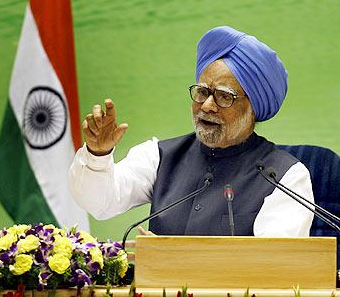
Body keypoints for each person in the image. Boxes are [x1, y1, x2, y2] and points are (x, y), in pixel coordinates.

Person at [69, 26, 314, 236]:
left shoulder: (285, 177)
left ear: (253, 109)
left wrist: (174, 256)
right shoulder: (160, 156)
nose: (207, 105)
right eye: (202, 92)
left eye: (224, 97)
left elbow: (274, 266)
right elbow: (99, 202)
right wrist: (97, 154)